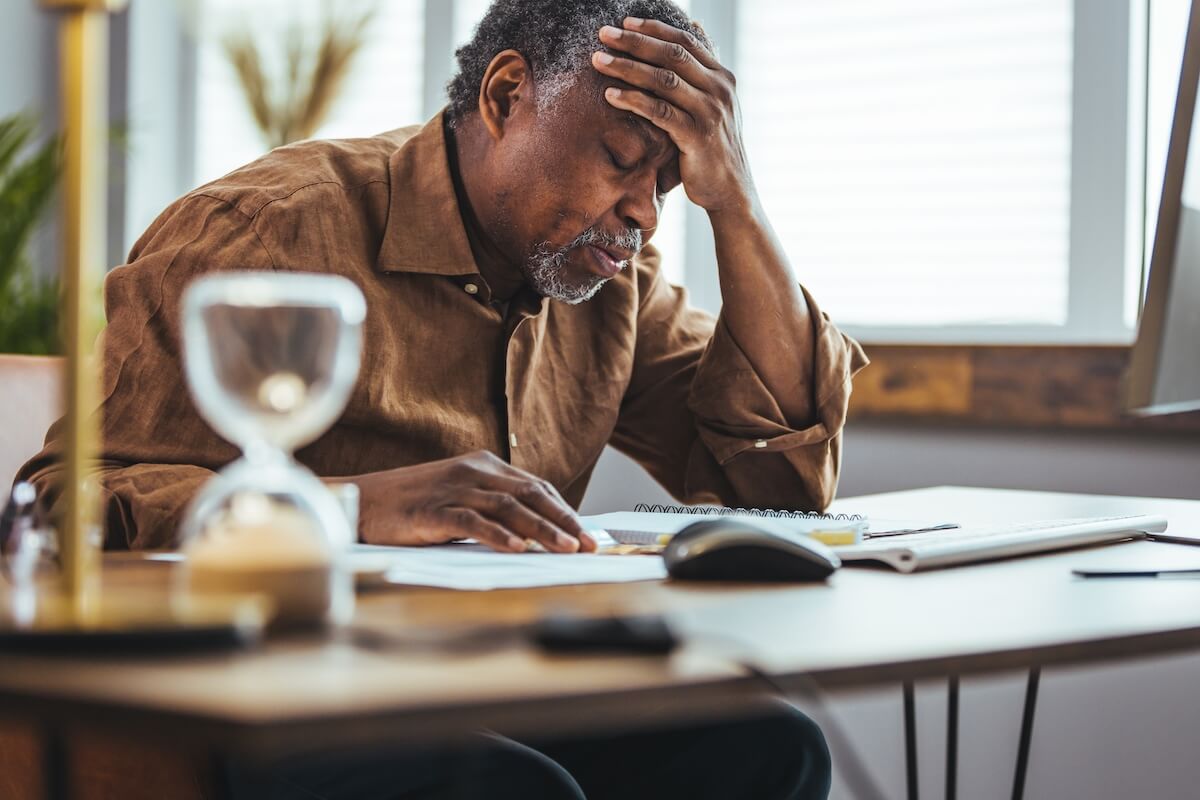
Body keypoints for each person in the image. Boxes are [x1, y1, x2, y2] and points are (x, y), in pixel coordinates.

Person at [19, 1, 866, 797]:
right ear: (506, 96)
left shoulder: (612, 282)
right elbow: (71, 512)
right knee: (516, 789)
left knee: (771, 746)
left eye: (673, 184)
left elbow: (776, 487)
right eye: (620, 160)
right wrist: (354, 508)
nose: (643, 214)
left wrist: (739, 206)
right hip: (266, 692)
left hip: (488, 676)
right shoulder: (265, 232)